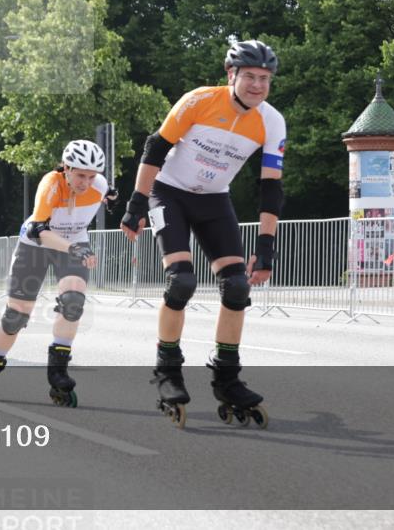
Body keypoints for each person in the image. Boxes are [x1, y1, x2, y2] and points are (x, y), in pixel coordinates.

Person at [120, 39, 284, 429]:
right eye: (250, 77)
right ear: (231, 75)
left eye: (265, 79)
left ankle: (227, 378)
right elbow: (154, 150)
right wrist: (136, 204)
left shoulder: (272, 122)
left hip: (214, 201)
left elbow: (271, 188)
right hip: (169, 193)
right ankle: (167, 370)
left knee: (237, 287)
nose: (258, 86)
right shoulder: (198, 101)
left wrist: (266, 246)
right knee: (182, 282)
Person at [0, 140, 114, 407]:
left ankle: (58, 370)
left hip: (72, 245)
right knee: (16, 316)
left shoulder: (98, 186)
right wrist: (74, 249)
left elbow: (110, 193)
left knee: (73, 301)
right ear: (66, 168)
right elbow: (39, 231)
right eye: (80, 175)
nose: (86, 183)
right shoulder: (51, 185)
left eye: (92, 177)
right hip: (37, 244)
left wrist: (113, 199)